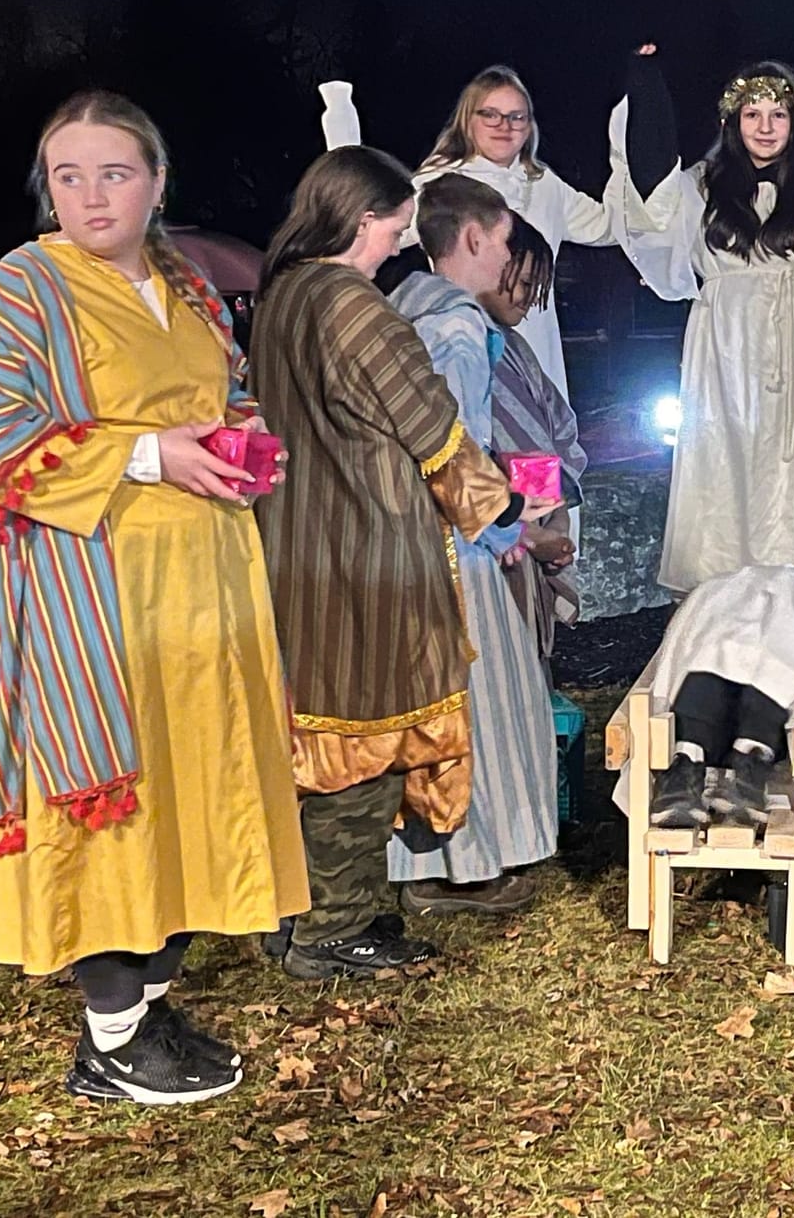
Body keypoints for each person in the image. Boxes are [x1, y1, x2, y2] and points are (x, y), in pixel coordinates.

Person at [0, 91, 307, 1103]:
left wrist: (240, 438)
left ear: (156, 182)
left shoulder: (184, 286)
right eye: (69, 175)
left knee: (192, 787)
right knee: (119, 802)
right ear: (44, 189)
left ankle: (147, 1004)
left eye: (115, 172)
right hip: (97, 599)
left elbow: (215, 396)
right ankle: (109, 1036)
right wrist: (145, 454)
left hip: (209, 589)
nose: (92, 196)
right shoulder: (19, 292)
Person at [251, 146, 521, 978]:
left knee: (314, 730)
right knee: (364, 737)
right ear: (362, 218)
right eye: (395, 226)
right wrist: (499, 505)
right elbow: (426, 416)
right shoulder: (349, 303)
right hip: (367, 549)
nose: (400, 242)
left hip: (294, 543)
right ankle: (336, 925)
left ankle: (292, 915)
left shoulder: (280, 298)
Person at [606, 47, 794, 608]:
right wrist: (646, 85)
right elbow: (648, 197)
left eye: (778, 115)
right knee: (725, 461)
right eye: (752, 114)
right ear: (731, 122)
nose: (765, 127)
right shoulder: (702, 187)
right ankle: (723, 600)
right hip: (725, 342)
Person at [386, 175, 566, 913]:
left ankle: (426, 859)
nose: (504, 262)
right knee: (480, 696)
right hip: (455, 541)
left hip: (406, 534)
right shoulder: (456, 323)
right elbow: (455, 442)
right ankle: (467, 861)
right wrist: (510, 527)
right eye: (498, 245)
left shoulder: (400, 304)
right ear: (471, 239)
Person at [318, 67, 616, 409]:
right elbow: (369, 220)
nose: (504, 126)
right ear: (467, 120)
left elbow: (610, 226)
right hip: (463, 340)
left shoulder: (545, 185)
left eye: (516, 116)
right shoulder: (441, 184)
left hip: (536, 350)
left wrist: (638, 160)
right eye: (490, 115)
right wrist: (341, 126)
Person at [619, 565, 794, 830]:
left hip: (766, 728)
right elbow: (685, 660)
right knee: (714, 654)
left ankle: (745, 762)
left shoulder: (791, 595)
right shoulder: (717, 604)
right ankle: (689, 762)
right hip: (702, 723)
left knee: (774, 657)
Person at [480, 217, 587, 672]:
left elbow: (558, 427)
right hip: (489, 536)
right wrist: (523, 529)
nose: (526, 297)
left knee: (528, 662)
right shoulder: (456, 340)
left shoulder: (516, 348)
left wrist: (556, 519)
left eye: (535, 287)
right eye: (521, 282)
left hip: (537, 521)